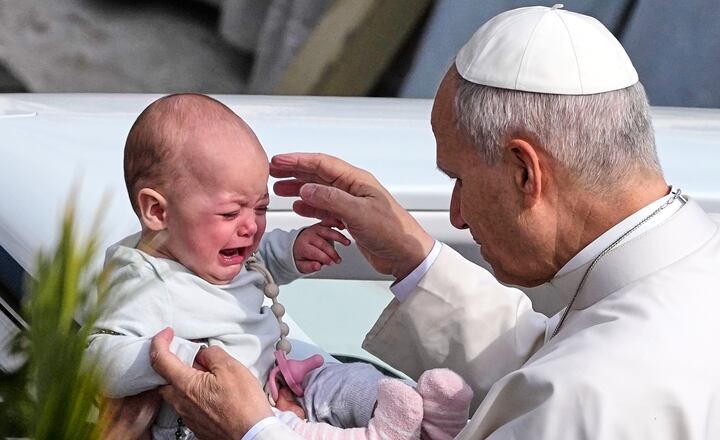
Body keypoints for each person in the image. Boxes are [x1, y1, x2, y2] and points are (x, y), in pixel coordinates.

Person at [148, 6, 720, 440]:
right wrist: (414, 261)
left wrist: (255, 430)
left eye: (458, 178)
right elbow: (561, 351)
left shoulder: (587, 402)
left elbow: (572, 380)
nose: (453, 213)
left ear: (523, 171)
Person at [89, 93, 472, 440]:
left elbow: (260, 259)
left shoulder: (206, 249)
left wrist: (293, 249)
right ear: (157, 211)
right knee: (289, 429)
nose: (250, 225)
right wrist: (174, 359)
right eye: (230, 211)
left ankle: (422, 415)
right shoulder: (142, 279)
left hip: (284, 370)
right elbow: (96, 357)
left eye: (260, 208)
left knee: (345, 379)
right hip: (229, 410)